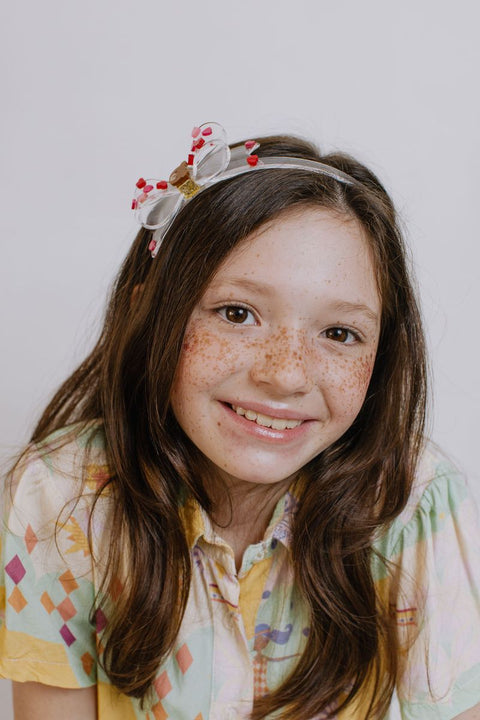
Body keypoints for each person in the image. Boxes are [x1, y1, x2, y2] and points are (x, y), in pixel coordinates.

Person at [1, 122, 479, 720]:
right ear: (149, 311)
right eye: (237, 313)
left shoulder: (415, 503)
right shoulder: (62, 498)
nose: (286, 374)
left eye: (339, 333)